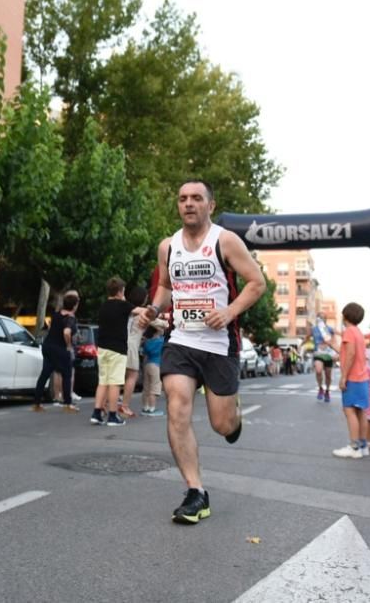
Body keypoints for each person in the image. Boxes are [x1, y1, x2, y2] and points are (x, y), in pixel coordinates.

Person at [137, 180, 265, 524]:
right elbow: (165, 286)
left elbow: (257, 282)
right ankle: (196, 492)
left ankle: (233, 418)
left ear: (210, 204)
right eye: (182, 199)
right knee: (176, 406)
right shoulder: (167, 246)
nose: (188, 204)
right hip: (181, 340)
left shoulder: (225, 241)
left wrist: (230, 312)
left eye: (196, 198)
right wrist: (153, 309)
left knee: (221, 424)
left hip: (220, 343)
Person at [91, 278, 144, 426]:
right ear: (121, 291)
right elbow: (139, 310)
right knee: (115, 383)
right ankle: (113, 416)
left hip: (102, 348)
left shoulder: (103, 306)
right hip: (117, 349)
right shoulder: (123, 305)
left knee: (103, 381)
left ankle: (97, 413)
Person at [332, 303, 370, 458]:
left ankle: (354, 447)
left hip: (353, 378)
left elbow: (350, 354)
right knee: (361, 411)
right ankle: (363, 445)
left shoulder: (348, 332)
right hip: (363, 377)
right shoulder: (358, 332)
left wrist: (344, 377)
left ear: (345, 315)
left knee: (349, 411)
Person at [32, 291, 80, 413]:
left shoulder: (56, 314)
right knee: (67, 375)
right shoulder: (70, 318)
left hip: (47, 347)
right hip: (60, 348)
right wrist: (68, 345)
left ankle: (36, 403)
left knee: (45, 374)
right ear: (75, 305)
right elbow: (66, 332)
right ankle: (68, 404)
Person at [120, 286, 150, 417]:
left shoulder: (127, 310)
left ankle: (107, 403)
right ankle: (125, 406)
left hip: (120, 344)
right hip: (132, 347)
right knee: (132, 376)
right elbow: (160, 323)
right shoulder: (142, 313)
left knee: (117, 377)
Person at [140, 324, 167, 416]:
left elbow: (145, 355)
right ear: (157, 331)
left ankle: (145, 407)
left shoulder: (147, 342)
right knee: (154, 387)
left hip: (148, 365)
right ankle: (152, 408)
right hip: (156, 365)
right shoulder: (161, 341)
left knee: (146, 387)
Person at [312, 317, 336, 402]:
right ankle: (320, 388)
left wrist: (331, 345)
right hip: (318, 353)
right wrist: (300, 346)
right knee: (318, 371)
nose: (320, 319)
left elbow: (334, 338)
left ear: (325, 320)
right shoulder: (314, 329)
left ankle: (327, 391)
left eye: (322, 317)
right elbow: (307, 337)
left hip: (328, 354)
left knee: (328, 375)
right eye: (319, 317)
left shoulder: (329, 329)